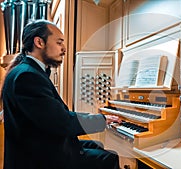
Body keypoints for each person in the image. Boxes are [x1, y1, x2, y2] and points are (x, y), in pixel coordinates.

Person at [0, 19, 122, 169]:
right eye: (59, 42)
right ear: (39, 42)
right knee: (109, 158)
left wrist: (99, 119)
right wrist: (102, 120)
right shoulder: (27, 76)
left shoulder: (27, 71)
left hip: (39, 145)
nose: (64, 49)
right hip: (37, 159)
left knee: (98, 146)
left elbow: (54, 114)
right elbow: (60, 121)